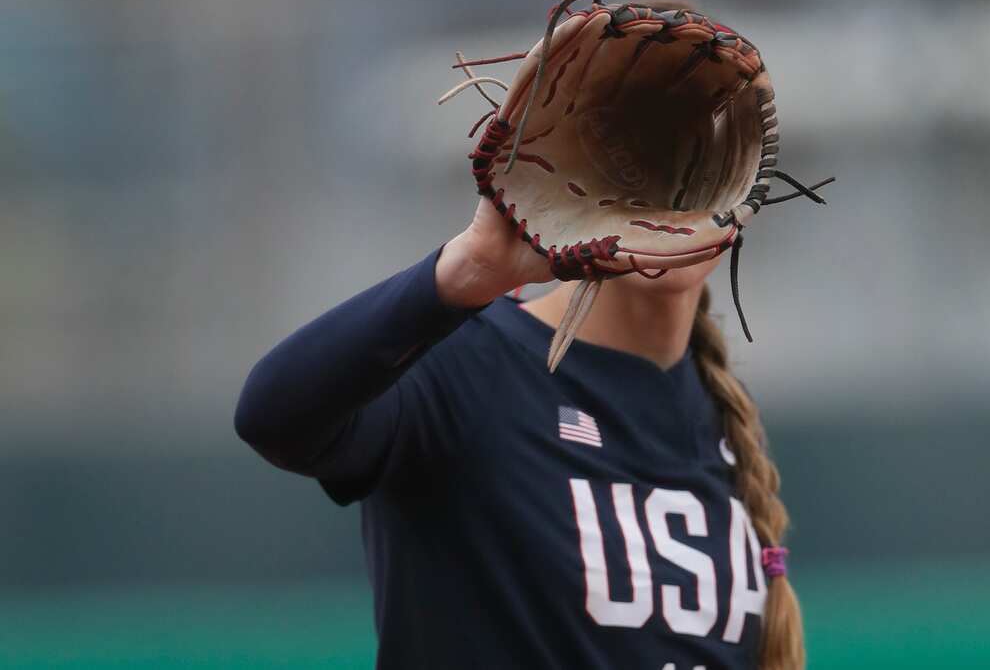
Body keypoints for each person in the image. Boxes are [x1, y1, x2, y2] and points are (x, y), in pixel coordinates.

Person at [235, 34, 806, 669]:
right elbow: (273, 416)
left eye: (704, 148)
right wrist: (469, 270)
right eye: (646, 146)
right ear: (583, 167)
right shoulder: (465, 366)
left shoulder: (722, 415)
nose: (675, 179)